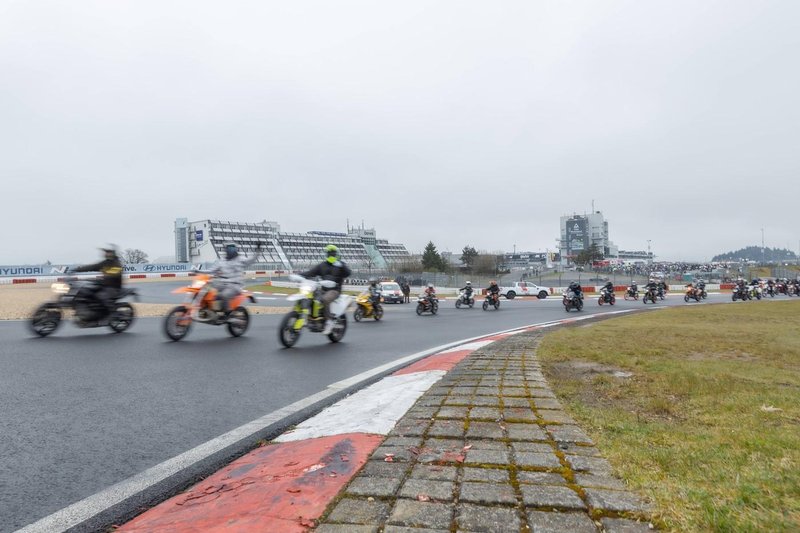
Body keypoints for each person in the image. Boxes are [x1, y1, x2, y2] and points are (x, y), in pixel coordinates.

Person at [301, 244, 352, 335]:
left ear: (336, 254)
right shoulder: (322, 265)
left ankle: (329, 322)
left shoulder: (340, 264)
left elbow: (348, 273)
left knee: (325, 299)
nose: (331, 255)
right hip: (323, 288)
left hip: (335, 290)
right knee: (310, 296)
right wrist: (300, 275)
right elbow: (311, 272)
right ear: (327, 254)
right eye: (329, 253)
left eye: (333, 253)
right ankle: (311, 318)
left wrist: (341, 266)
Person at [70, 247, 124, 315]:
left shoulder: (116, 263)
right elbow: (93, 266)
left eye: (109, 252)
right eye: (106, 252)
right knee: (87, 291)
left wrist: (103, 279)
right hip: (104, 285)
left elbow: (114, 274)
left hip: (113, 287)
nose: (107, 254)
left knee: (100, 296)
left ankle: (111, 314)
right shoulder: (104, 263)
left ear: (113, 253)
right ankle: (89, 311)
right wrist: (77, 270)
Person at [212, 241, 261, 315]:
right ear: (225, 249)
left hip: (235, 285)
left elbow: (252, 260)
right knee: (209, 291)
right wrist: (198, 271)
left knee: (223, 295)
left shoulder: (240, 259)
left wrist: (258, 249)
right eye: (229, 248)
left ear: (235, 249)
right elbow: (211, 270)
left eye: (232, 248)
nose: (231, 250)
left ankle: (228, 312)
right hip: (224, 284)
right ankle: (212, 309)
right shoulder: (222, 260)